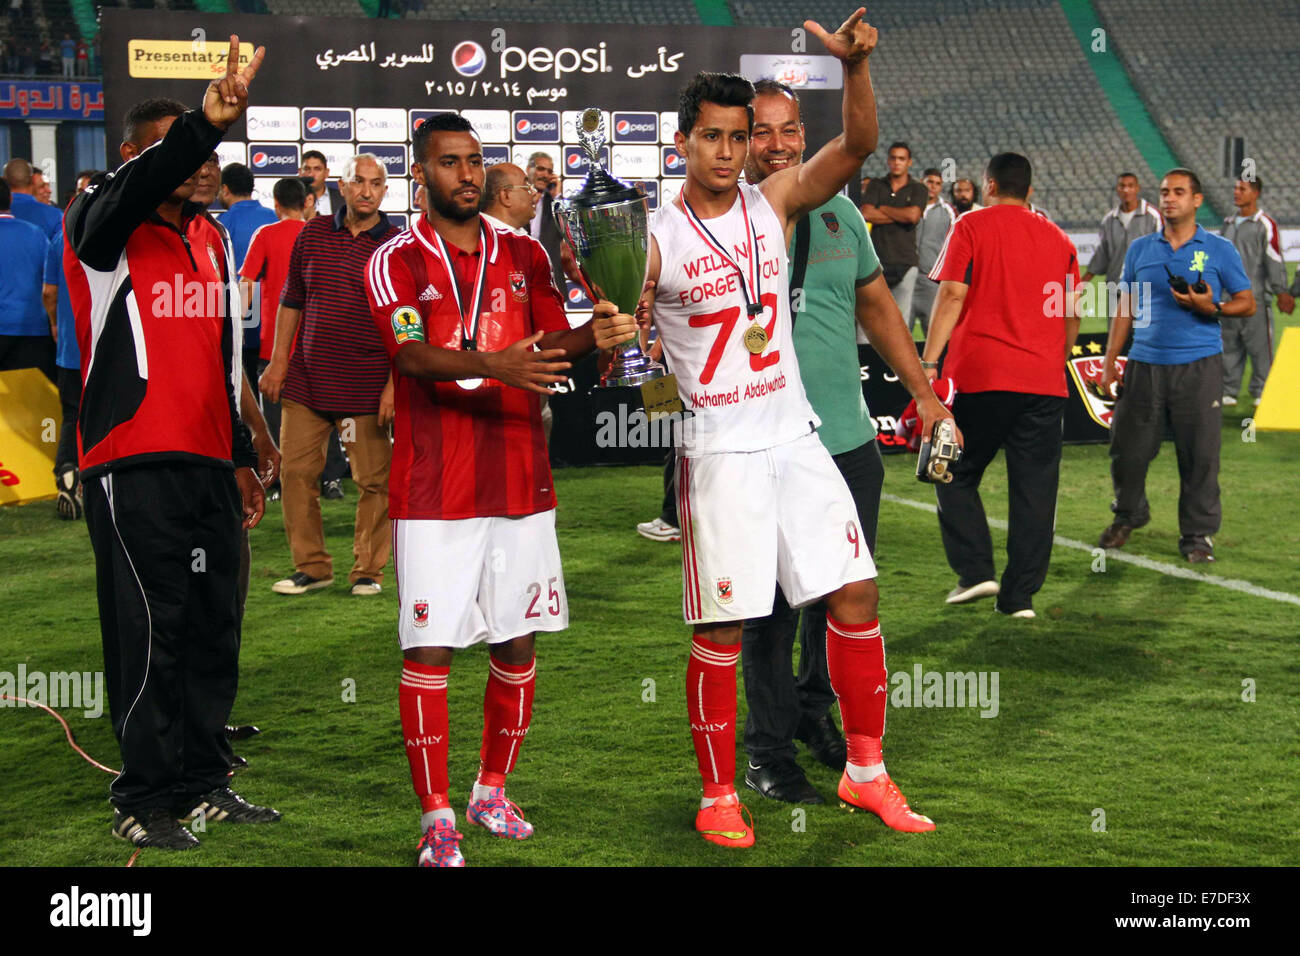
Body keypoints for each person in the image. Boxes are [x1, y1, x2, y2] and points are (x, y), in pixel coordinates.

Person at [643, 12, 942, 850]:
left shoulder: (771, 202)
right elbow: (633, 347)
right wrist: (621, 335)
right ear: (683, 143)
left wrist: (854, 69)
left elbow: (856, 143)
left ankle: (865, 771)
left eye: (740, 139)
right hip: (722, 454)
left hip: (797, 437)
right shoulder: (657, 241)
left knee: (857, 593)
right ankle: (716, 792)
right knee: (725, 628)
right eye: (714, 138)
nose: (731, 153)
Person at [363, 112, 627, 867]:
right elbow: (410, 356)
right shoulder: (396, 259)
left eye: (476, 161)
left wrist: (600, 332)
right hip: (435, 488)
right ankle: (436, 815)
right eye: (450, 163)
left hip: (519, 478)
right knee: (432, 649)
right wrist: (498, 365)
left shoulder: (525, 253)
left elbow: (554, 341)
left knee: (518, 641)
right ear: (422, 175)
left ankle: (490, 790)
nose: (467, 175)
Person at [63, 38, 280, 851]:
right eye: (182, 150)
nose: (199, 165)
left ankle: (201, 779)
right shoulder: (101, 226)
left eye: (209, 153)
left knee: (212, 622)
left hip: (203, 465)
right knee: (150, 628)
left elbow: (227, 363)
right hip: (132, 459)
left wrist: (240, 452)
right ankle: (143, 795)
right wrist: (202, 121)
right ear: (132, 157)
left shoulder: (214, 241)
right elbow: (140, 184)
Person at [738, 79, 952, 805]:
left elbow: (877, 306)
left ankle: (813, 713)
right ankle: (765, 751)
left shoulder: (841, 217)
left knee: (842, 599)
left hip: (848, 441)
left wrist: (922, 391)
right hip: (762, 449)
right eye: (759, 132)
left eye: (788, 130)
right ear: (736, 141)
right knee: (768, 611)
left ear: (805, 135)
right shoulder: (723, 222)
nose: (776, 145)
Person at [921, 152, 1082, 619]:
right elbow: (1071, 312)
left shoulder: (971, 226)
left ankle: (975, 572)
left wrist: (929, 361)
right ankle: (1020, 599)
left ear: (989, 185)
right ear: (1029, 190)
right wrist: (1058, 355)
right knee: (1035, 493)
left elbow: (952, 293)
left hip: (984, 377)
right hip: (1044, 384)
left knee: (949, 470)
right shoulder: (1060, 239)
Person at [258, 153, 398, 597]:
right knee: (297, 475)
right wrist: (279, 361)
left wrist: (396, 385)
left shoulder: (397, 245)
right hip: (306, 382)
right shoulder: (313, 234)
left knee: (373, 483)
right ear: (341, 184)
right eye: (359, 181)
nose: (366, 191)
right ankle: (313, 567)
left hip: (366, 386)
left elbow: (405, 321)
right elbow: (291, 300)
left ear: (384, 191)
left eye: (375, 184)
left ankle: (368, 571)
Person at [1097, 169, 1254, 564]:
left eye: (1179, 192)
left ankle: (1197, 534)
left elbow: (1247, 302)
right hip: (1144, 366)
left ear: (1196, 200)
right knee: (1127, 449)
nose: (1169, 199)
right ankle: (1129, 514)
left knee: (1200, 455)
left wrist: (1211, 308)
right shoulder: (1140, 250)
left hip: (1199, 367)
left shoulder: (1219, 249)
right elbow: (1125, 307)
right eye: (1165, 192)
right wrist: (1111, 362)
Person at [42, 170, 99, 518]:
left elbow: (49, 292)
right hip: (108, 348)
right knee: (107, 416)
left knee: (72, 415)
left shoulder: (59, 238)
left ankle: (68, 471)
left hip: (71, 349)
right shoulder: (123, 235)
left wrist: (53, 324)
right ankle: (99, 481)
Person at [239, 176, 310, 461]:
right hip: (314, 343)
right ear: (306, 202)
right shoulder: (317, 235)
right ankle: (329, 476)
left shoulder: (266, 234)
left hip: (274, 345)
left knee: (275, 416)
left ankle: (277, 473)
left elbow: (246, 284)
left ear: (276, 204)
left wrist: (234, 327)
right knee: (321, 412)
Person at [1218, 176, 1287, 407]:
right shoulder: (1228, 223)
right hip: (1227, 299)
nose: (1236, 192)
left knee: (1260, 348)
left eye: (1242, 188)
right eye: (1236, 188)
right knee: (1228, 345)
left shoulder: (1265, 224)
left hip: (1255, 298)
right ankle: (1229, 390)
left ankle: (1262, 390)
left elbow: (1274, 259)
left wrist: (1281, 292)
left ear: (1255, 193)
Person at [218, 162, 277, 382]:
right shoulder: (275, 218)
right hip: (275, 322)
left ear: (225, 189)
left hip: (240, 317)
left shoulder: (221, 225)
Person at [858, 141, 926, 331]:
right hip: (876, 263)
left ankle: (896, 362)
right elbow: (866, 213)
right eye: (894, 158)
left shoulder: (918, 188)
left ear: (909, 162)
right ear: (888, 160)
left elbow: (913, 216)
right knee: (869, 322)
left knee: (900, 323)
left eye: (901, 159)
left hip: (906, 262)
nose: (897, 162)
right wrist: (900, 214)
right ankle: (867, 361)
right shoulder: (876, 185)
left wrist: (883, 208)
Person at [0, 180, 53, 382]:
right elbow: (51, 283)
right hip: (33, 330)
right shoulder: (37, 234)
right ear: (11, 199)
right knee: (32, 406)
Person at [1080, 173, 1162, 295]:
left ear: (1137, 188)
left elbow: (1162, 252)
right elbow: (1101, 255)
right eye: (1122, 186)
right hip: (1115, 288)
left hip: (1143, 290)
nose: (1126, 190)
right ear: (1117, 189)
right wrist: (1082, 285)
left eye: (1130, 186)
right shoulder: (1109, 220)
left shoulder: (1152, 217)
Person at [911, 166, 956, 335]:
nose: (933, 186)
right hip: (907, 275)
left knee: (933, 331)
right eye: (930, 181)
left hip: (931, 279)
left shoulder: (948, 211)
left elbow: (953, 243)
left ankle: (934, 362)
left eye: (937, 183)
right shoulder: (908, 205)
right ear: (922, 181)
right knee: (900, 332)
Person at [526, 151, 566, 294]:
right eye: (541, 169)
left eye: (549, 171)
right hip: (521, 278)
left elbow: (568, 232)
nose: (545, 175)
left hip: (551, 281)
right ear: (528, 170)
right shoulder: (516, 200)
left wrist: (558, 196)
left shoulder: (556, 204)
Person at [3, 158, 62, 239]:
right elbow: (61, 249)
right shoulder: (55, 215)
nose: (49, 191)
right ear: (32, 179)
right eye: (42, 186)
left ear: (4, 180)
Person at [480, 162, 538, 234]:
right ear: (506, 196)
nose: (534, 192)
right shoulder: (479, 239)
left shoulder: (521, 236)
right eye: (527, 186)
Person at [300, 149, 342, 219]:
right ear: (300, 172)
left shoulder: (342, 199)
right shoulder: (291, 200)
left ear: (326, 173)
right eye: (307, 169)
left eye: (317, 169)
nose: (311, 174)